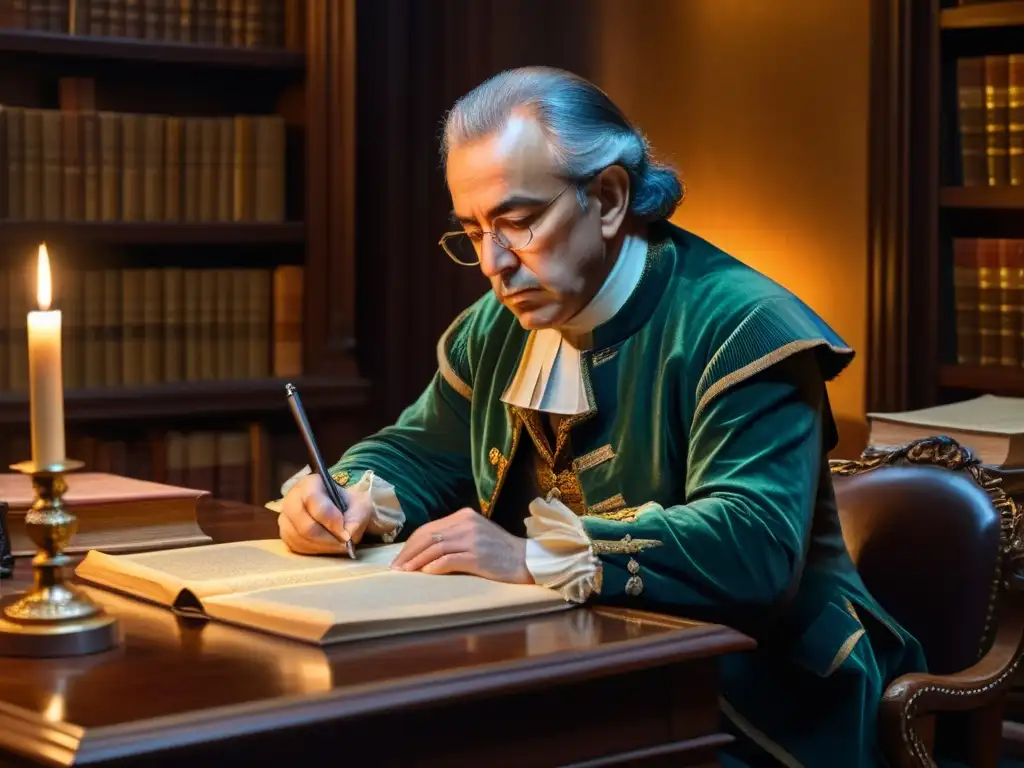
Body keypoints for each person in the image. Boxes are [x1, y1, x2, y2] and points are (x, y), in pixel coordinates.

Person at [277, 66, 925, 767]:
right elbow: (417, 451)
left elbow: (752, 547)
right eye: (472, 232)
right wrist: (345, 492)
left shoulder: (745, 328)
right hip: (562, 673)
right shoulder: (492, 329)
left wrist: (532, 555)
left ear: (610, 197)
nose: (494, 264)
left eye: (518, 224)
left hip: (760, 700)